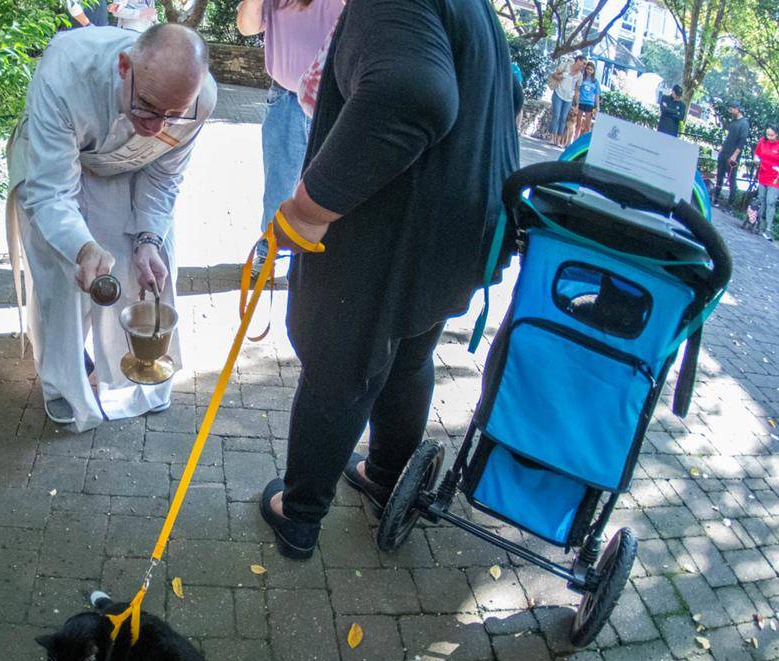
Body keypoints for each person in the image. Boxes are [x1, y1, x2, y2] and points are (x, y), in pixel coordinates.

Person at [255, 0, 519, 559]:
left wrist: (308, 207)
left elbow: (411, 94)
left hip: (393, 235)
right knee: (407, 353)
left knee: (340, 367)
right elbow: (501, 93)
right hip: (459, 230)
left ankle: (299, 514)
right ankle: (385, 475)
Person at [6, 25, 217, 429]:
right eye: (149, 107)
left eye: (173, 115)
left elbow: (164, 177)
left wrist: (148, 239)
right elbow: (52, 193)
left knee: (150, 262)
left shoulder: (198, 100)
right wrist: (84, 248)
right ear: (124, 67)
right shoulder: (65, 73)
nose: (159, 126)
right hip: (53, 163)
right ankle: (63, 386)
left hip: (126, 164)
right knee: (64, 267)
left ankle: (135, 375)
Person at [237, 0, 345, 273]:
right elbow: (246, 27)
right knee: (280, 186)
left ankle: (316, 260)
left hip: (337, 103)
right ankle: (270, 251)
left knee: (331, 188)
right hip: (286, 99)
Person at [714, 100, 749, 208]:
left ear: (737, 109)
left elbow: (742, 142)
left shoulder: (744, 124)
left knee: (731, 180)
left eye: (732, 109)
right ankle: (715, 199)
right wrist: (722, 148)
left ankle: (730, 204)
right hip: (724, 152)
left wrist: (735, 155)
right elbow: (729, 137)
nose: (731, 111)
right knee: (719, 176)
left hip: (733, 155)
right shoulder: (733, 122)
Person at [547, 55, 584, 146]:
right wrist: (560, 76)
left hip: (568, 98)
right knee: (556, 116)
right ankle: (552, 138)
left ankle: (558, 140)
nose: (584, 65)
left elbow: (577, 90)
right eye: (583, 62)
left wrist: (577, 104)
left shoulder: (580, 75)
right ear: (578, 60)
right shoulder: (566, 66)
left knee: (563, 118)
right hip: (558, 93)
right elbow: (555, 74)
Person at [754, 124, 779, 241]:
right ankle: (758, 224)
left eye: (772, 135)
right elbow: (757, 154)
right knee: (761, 199)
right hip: (763, 175)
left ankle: (768, 228)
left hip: (775, 178)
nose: (769, 137)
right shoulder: (762, 142)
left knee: (771, 202)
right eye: (767, 134)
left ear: (777, 134)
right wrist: (756, 160)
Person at [573, 61, 600, 141]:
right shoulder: (582, 78)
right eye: (588, 69)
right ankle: (575, 140)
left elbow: (597, 94)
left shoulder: (595, 81)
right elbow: (577, 90)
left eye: (591, 69)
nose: (589, 71)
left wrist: (597, 106)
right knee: (578, 123)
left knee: (587, 125)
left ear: (593, 71)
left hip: (589, 104)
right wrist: (576, 102)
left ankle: (583, 142)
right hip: (581, 102)